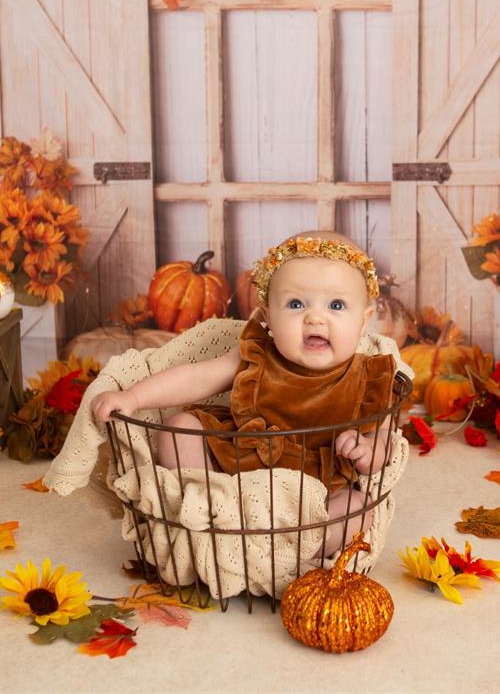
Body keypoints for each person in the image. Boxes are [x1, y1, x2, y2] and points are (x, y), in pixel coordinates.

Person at [90, 231, 399, 556]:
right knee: (180, 428)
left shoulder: (370, 377)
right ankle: (208, 516)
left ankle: (292, 551)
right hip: (235, 479)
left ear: (364, 322)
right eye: (296, 304)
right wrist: (133, 398)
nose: (315, 318)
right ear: (266, 317)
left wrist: (367, 451)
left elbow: (384, 439)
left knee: (361, 507)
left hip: (317, 494)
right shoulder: (256, 353)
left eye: (336, 305)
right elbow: (197, 377)